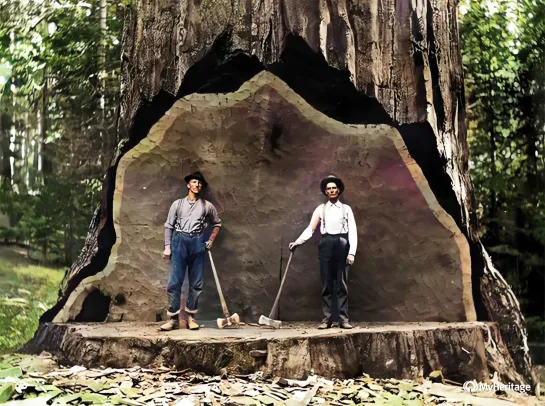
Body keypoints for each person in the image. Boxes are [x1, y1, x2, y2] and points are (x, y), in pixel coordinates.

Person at [289, 175, 357, 329]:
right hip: (326, 244)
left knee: (341, 284)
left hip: (342, 244)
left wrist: (351, 253)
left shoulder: (346, 209)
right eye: (329, 189)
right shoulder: (321, 209)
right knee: (326, 284)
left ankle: (343, 320)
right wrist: (297, 242)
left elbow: (353, 231)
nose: (332, 190)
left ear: (338, 190)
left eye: (334, 188)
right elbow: (311, 229)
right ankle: (326, 319)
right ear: (325, 192)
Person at [160, 171, 222, 331]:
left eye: (199, 183)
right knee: (175, 282)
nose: (197, 185)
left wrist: (210, 240)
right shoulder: (177, 204)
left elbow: (217, 223)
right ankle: (172, 319)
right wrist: (167, 247)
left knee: (196, 283)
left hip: (197, 243)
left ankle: (190, 318)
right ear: (188, 185)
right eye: (194, 182)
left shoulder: (207, 205)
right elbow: (169, 226)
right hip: (179, 241)